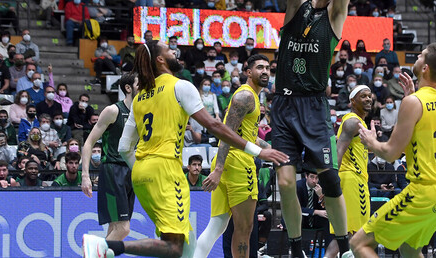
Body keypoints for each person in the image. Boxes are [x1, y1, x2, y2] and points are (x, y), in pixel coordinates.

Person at [83, 41, 287, 258]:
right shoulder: (180, 86)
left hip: (141, 173)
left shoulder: (140, 96)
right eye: (170, 51)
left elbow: (125, 147)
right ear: (160, 59)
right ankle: (108, 247)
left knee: (187, 245)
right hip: (167, 170)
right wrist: (258, 151)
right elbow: (215, 126)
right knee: (175, 247)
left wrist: (142, 168)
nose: (175, 53)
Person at [271, 0, 359, 258]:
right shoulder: (296, 6)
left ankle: (346, 245)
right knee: (286, 181)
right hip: (283, 107)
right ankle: (295, 247)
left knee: (330, 178)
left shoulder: (335, 18)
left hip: (313, 107)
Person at [351, 43, 436, 258]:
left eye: (420, 56)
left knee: (359, 244)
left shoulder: (413, 102)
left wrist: (371, 142)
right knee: (409, 248)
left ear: (425, 67)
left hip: (423, 192)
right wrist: (412, 96)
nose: (416, 58)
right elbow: (424, 122)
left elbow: (390, 153)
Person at [195, 54, 274, 258]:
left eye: (267, 67)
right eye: (259, 67)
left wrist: (271, 148)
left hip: (230, 160)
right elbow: (226, 133)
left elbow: (245, 136)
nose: (265, 71)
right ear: (248, 72)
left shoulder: (252, 97)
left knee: (217, 225)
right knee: (244, 229)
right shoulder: (246, 96)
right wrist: (219, 170)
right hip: (238, 163)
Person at [81, 73, 138, 241]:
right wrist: (85, 176)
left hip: (131, 172)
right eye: (139, 84)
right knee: (123, 229)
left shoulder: (142, 114)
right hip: (113, 172)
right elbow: (88, 143)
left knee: (114, 227)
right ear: (128, 88)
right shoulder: (113, 111)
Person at [324, 85, 373, 258]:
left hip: (356, 179)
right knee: (354, 234)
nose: (368, 99)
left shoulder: (360, 122)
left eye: (370, 96)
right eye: (363, 96)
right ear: (353, 101)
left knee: (345, 235)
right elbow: (337, 152)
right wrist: (329, 184)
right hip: (352, 180)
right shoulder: (353, 121)